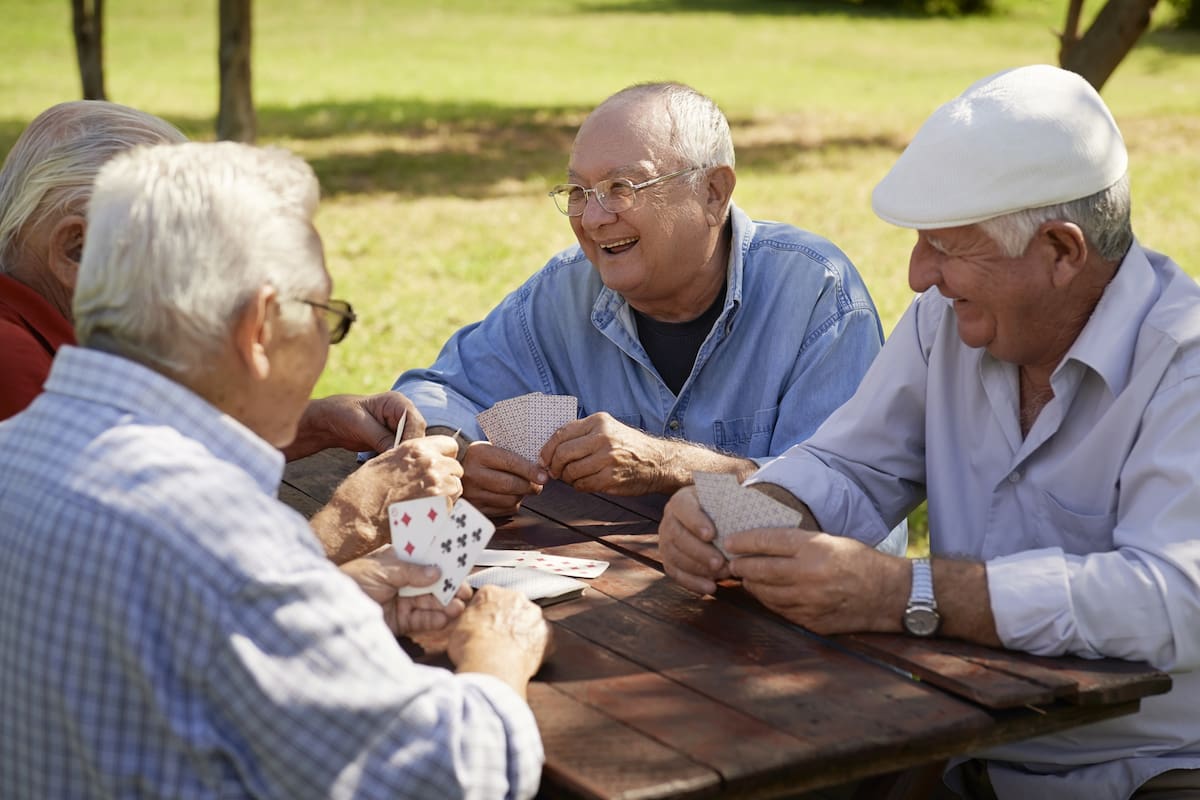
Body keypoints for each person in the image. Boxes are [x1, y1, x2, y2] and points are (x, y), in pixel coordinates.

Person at [659, 65, 1200, 799]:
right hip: (958, 740)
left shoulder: (1184, 363)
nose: (918, 275)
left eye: (948, 246)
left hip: (1149, 769)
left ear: (1062, 253)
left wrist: (908, 593)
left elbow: (1171, 597)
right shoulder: (947, 322)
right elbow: (851, 464)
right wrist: (743, 511)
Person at [0, 141, 551, 798]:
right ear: (260, 327)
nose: (323, 344)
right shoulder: (223, 534)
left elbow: (174, 662)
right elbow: (452, 773)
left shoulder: (18, 448)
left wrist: (335, 603)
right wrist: (499, 649)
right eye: (325, 316)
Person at [392, 82, 898, 539]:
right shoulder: (565, 291)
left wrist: (673, 466)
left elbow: (840, 509)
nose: (592, 218)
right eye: (578, 192)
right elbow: (437, 391)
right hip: (620, 616)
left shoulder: (814, 292)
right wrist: (454, 454)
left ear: (713, 193)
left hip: (787, 622)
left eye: (622, 187)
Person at [0, 100, 448, 564]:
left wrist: (311, 425)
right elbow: (160, 580)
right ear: (77, 249)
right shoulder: (15, 364)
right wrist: (354, 519)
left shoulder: (57, 344)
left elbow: (159, 454)